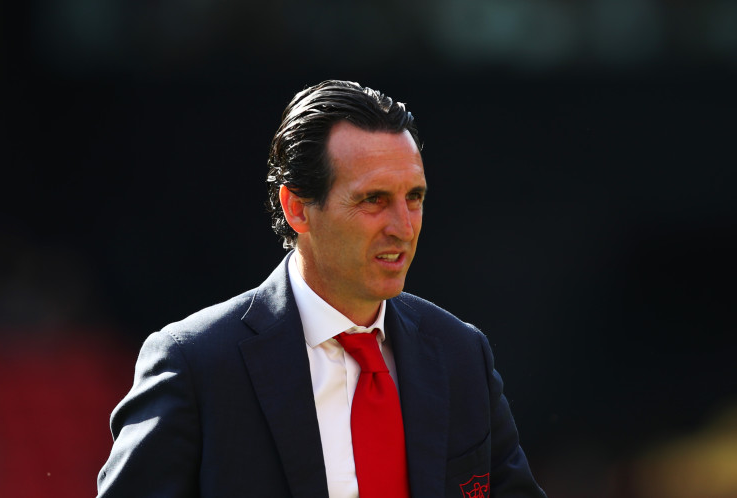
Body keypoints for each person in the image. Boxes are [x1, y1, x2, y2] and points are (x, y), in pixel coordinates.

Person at [97, 80, 546, 498]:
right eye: (373, 199)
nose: (404, 227)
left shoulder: (461, 354)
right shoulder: (196, 364)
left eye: (414, 197)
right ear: (297, 208)